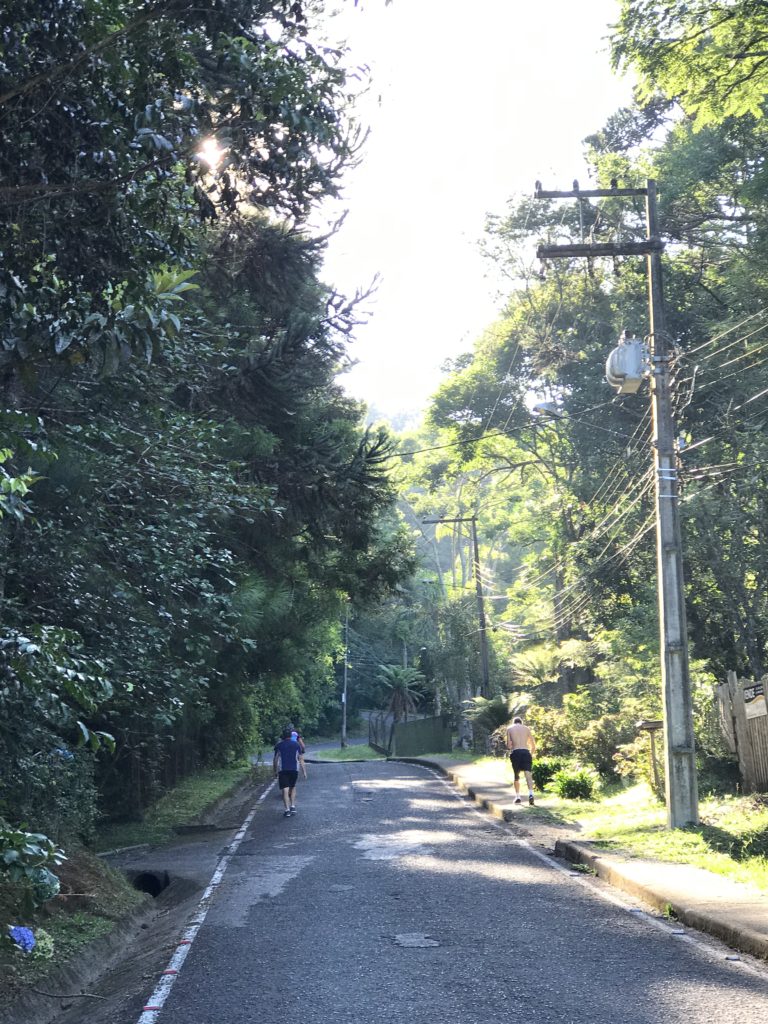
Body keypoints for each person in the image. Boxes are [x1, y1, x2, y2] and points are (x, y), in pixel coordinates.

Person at [273, 728, 307, 817]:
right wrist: (304, 771)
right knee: (293, 787)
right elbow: (300, 758)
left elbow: (276, 759)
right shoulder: (296, 745)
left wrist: (275, 771)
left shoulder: (279, 746)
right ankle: (293, 806)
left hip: (283, 770)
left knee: (285, 789)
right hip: (294, 769)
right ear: (291, 736)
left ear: (283, 736)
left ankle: (287, 810)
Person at [505, 715, 537, 805]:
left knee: (516, 775)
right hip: (526, 752)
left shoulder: (510, 729)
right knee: (528, 774)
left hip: (516, 752)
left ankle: (518, 796)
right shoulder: (526, 729)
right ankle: (531, 794)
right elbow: (533, 745)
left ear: (514, 722)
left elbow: (509, 746)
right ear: (521, 722)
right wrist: (530, 754)